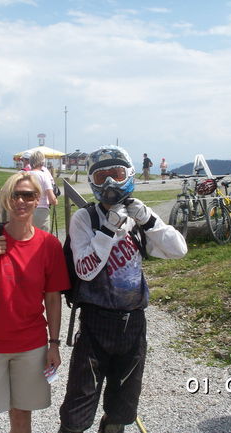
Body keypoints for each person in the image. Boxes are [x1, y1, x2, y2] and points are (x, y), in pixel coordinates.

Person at [58, 145, 188, 433]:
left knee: (124, 405)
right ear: (92, 180)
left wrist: (149, 220)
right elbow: (85, 270)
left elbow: (178, 250)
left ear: (128, 174)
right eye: (101, 176)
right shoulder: (85, 219)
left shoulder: (138, 214)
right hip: (96, 320)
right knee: (79, 403)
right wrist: (108, 231)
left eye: (116, 174)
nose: (109, 183)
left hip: (133, 320)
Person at [0, 171, 70, 433]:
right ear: (5, 199)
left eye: (28, 195)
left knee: (20, 415)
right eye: (14, 195)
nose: (21, 201)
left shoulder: (48, 245)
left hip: (31, 346)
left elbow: (53, 298)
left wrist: (54, 344)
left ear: (37, 199)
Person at [29, 150, 57, 232]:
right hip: (42, 211)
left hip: (27, 210)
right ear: (42, 162)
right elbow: (51, 198)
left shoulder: (25, 175)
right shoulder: (44, 176)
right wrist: (55, 201)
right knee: (43, 238)